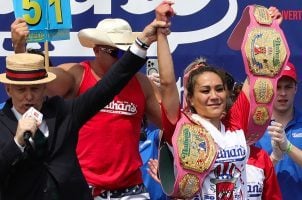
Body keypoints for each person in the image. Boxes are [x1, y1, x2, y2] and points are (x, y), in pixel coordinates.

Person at [10, 4, 173, 199]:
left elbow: (170, 123)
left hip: (130, 190)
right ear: (96, 50)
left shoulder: (141, 83)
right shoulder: (76, 76)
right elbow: (37, 81)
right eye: (117, 53)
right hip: (82, 189)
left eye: (128, 51)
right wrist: (20, 48)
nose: (124, 59)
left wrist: (162, 38)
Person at [154, 3, 282, 199]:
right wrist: (161, 32)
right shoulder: (180, 126)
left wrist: (267, 29)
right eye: (205, 91)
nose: (214, 96)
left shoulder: (235, 123)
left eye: (219, 89)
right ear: (190, 98)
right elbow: (167, 82)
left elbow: (259, 72)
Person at [256, 61, 302, 200]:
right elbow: (249, 177)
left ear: (296, 88)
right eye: (277, 86)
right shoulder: (255, 127)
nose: (282, 93)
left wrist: (288, 147)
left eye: (288, 87)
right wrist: (274, 159)